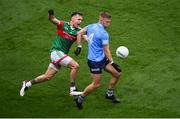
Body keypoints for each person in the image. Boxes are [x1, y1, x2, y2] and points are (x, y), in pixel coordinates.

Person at [20, 9, 87, 96]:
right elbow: (52, 19)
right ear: (73, 19)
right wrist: (50, 14)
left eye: (81, 20)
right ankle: (72, 88)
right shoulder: (63, 25)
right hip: (56, 52)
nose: (80, 22)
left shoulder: (79, 30)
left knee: (47, 77)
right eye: (79, 19)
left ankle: (27, 84)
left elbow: (87, 38)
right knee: (75, 66)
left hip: (61, 55)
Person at [74, 11, 122, 109]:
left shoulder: (91, 26)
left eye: (109, 22)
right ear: (101, 20)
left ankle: (109, 94)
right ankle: (80, 98)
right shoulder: (104, 34)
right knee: (96, 85)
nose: (109, 24)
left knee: (117, 74)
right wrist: (112, 62)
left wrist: (79, 46)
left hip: (102, 58)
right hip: (94, 62)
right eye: (107, 22)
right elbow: (106, 50)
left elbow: (79, 33)